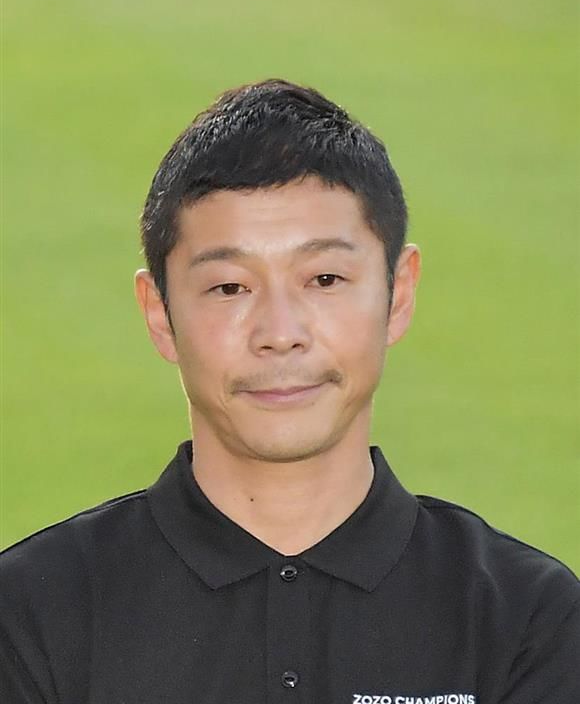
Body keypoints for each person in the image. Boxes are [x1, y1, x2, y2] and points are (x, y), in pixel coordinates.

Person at [0, 80, 578, 704]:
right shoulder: (30, 612)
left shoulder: (526, 618)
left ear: (398, 294)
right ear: (160, 314)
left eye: (324, 278)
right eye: (229, 288)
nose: (280, 334)